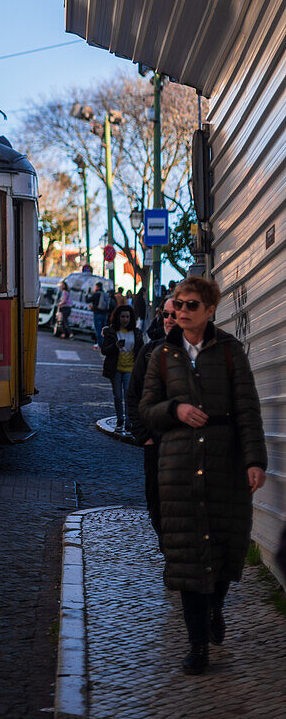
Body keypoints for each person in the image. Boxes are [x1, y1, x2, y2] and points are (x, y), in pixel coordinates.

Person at [139, 276, 267, 676]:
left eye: (191, 305)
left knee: (227, 548)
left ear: (210, 310)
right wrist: (174, 410)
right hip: (177, 466)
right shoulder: (161, 355)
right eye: (178, 305)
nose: (181, 311)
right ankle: (197, 646)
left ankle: (215, 607)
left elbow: (248, 409)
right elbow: (146, 410)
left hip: (223, 462)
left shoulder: (230, 352)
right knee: (187, 555)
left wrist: (254, 460)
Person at [126, 296, 178, 543]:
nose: (169, 320)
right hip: (154, 445)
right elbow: (133, 396)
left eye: (174, 315)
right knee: (155, 502)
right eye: (165, 314)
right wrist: (144, 436)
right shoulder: (148, 353)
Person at [100, 304, 144, 433]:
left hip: (130, 369)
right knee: (118, 396)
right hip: (116, 369)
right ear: (118, 317)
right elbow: (104, 350)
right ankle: (120, 419)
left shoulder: (136, 332)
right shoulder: (112, 332)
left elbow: (141, 350)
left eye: (128, 317)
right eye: (123, 316)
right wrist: (115, 346)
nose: (125, 319)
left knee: (128, 396)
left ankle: (129, 422)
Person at [86, 281, 108, 349]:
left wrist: (87, 294)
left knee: (98, 330)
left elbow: (87, 300)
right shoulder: (105, 294)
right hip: (104, 314)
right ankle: (104, 344)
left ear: (97, 287)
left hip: (97, 313)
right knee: (103, 330)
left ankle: (100, 344)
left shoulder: (96, 294)